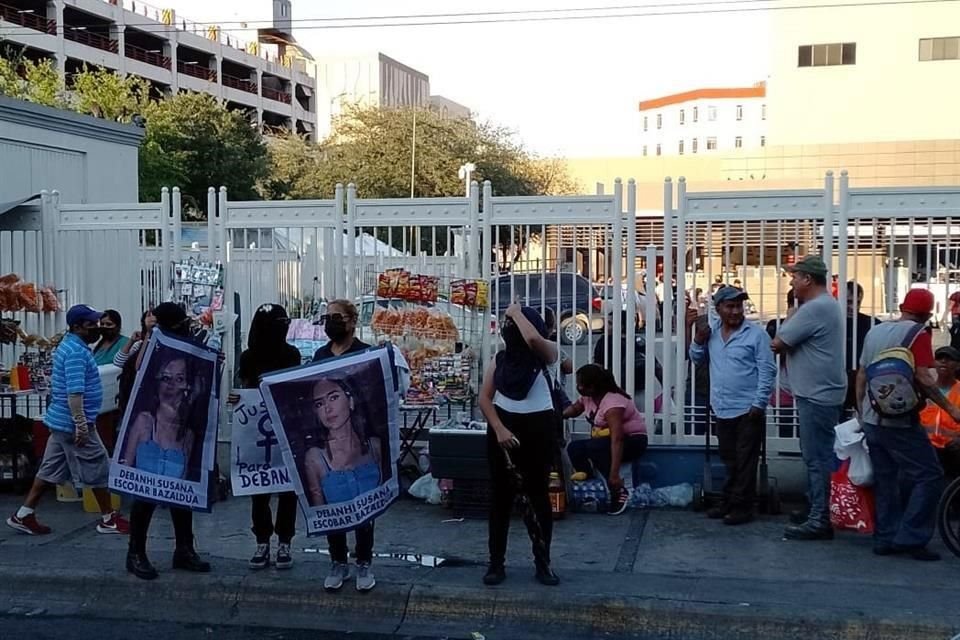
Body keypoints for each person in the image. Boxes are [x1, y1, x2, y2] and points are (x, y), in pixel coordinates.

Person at [6, 305, 129, 536]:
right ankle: (108, 518)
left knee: (49, 470)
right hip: (73, 423)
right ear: (77, 326)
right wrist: (81, 424)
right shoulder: (75, 352)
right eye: (91, 324)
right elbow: (75, 393)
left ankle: (23, 514)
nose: (97, 328)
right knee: (98, 465)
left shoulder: (73, 346)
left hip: (61, 422)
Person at [857, 289, 960, 561]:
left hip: (871, 417)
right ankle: (911, 537)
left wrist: (861, 413)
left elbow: (862, 375)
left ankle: (885, 538)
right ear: (927, 314)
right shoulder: (918, 334)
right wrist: (951, 408)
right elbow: (925, 379)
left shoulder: (875, 332)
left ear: (902, 306)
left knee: (886, 478)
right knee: (930, 475)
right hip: (899, 421)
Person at [124, 302, 211, 581]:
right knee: (144, 497)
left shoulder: (188, 342)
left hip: (180, 425)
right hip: (155, 425)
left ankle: (184, 548)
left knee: (180, 493)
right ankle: (136, 552)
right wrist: (150, 336)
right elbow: (141, 371)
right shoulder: (154, 344)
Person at [478, 304, 560, 587]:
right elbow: (484, 399)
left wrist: (516, 312)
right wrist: (499, 429)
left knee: (538, 497)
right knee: (500, 499)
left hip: (539, 428)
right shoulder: (499, 360)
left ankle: (543, 562)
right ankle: (496, 563)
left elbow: (535, 340)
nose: (511, 329)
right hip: (503, 429)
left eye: (515, 325)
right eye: (508, 325)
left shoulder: (547, 353)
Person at [771, 256, 847, 541]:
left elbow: (779, 342)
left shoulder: (815, 309)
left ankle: (820, 519)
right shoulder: (825, 306)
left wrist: (790, 313)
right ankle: (817, 507)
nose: (791, 281)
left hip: (817, 395)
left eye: (795, 276)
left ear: (807, 279)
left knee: (816, 458)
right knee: (818, 455)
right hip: (820, 393)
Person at [690, 286, 777, 525]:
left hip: (748, 408)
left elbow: (767, 371)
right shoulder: (712, 332)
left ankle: (741, 506)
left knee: (745, 459)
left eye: (739, 306)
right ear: (718, 309)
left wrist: (759, 404)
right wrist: (697, 341)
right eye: (730, 306)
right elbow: (698, 359)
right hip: (722, 407)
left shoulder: (756, 335)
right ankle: (729, 500)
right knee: (730, 458)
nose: (736, 311)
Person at [312, 299, 377, 593]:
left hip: (359, 443)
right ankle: (338, 560)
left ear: (352, 321)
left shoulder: (365, 354)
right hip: (331, 447)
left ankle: (364, 561)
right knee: (334, 502)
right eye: (327, 317)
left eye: (336, 317)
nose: (330, 322)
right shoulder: (320, 355)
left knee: (364, 503)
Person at [230, 303, 301, 571]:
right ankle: (262, 541)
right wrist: (237, 398)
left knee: (287, 489)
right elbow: (246, 387)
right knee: (258, 491)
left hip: (284, 428)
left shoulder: (291, 354)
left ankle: (284, 542)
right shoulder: (249, 357)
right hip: (256, 431)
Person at [563, 364, 648, 515]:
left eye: (581, 384)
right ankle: (587, 475)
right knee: (574, 448)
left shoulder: (613, 403)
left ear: (593, 386)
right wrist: (558, 414)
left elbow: (618, 438)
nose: (578, 387)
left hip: (632, 441)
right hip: (607, 441)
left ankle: (618, 491)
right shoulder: (588, 397)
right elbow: (575, 409)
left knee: (595, 447)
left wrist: (614, 475)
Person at [919, 346, 960, 480]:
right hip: (927, 448)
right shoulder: (924, 390)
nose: (944, 361)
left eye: (949, 359)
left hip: (953, 452)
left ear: (957, 365)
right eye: (940, 358)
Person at [844, 282, 880, 415]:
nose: (852, 306)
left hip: (864, 379)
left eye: (857, 302)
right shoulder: (831, 322)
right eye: (848, 301)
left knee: (867, 420)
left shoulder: (872, 324)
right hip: (838, 379)